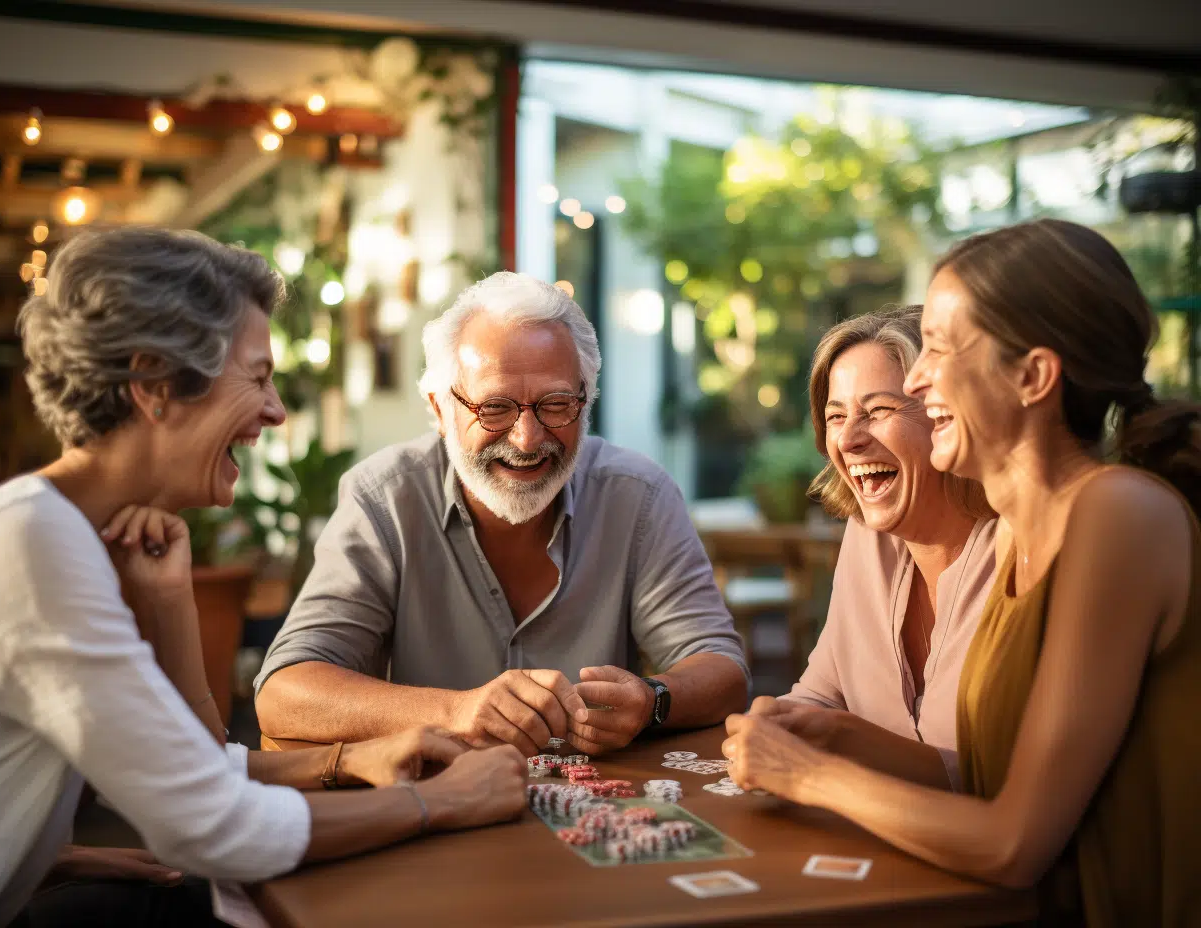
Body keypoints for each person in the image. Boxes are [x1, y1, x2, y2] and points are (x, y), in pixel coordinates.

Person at [0, 228, 526, 928]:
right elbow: (211, 826)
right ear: (155, 386)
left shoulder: (60, 533)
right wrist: (441, 803)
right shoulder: (33, 545)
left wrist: (170, 604)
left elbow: (188, 770)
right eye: (258, 377)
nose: (275, 411)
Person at [723, 219, 1201, 925]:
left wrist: (812, 774)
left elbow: (1013, 841)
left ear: (1033, 376)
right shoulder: (1026, 530)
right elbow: (991, 779)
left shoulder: (1117, 513)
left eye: (942, 348)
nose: (917, 376)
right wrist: (840, 735)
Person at [255, 272, 749, 757]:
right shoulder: (382, 498)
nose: (527, 438)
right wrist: (455, 712)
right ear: (439, 409)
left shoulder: (639, 497)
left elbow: (722, 670)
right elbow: (283, 693)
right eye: (494, 408)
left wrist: (653, 700)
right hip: (427, 810)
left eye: (556, 404)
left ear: (586, 402)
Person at [750, 307, 995, 790]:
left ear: (948, 415)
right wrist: (773, 724)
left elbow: (1016, 786)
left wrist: (837, 744)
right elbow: (821, 696)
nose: (848, 440)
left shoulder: (1021, 547)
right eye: (835, 416)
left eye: (879, 411)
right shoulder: (867, 538)